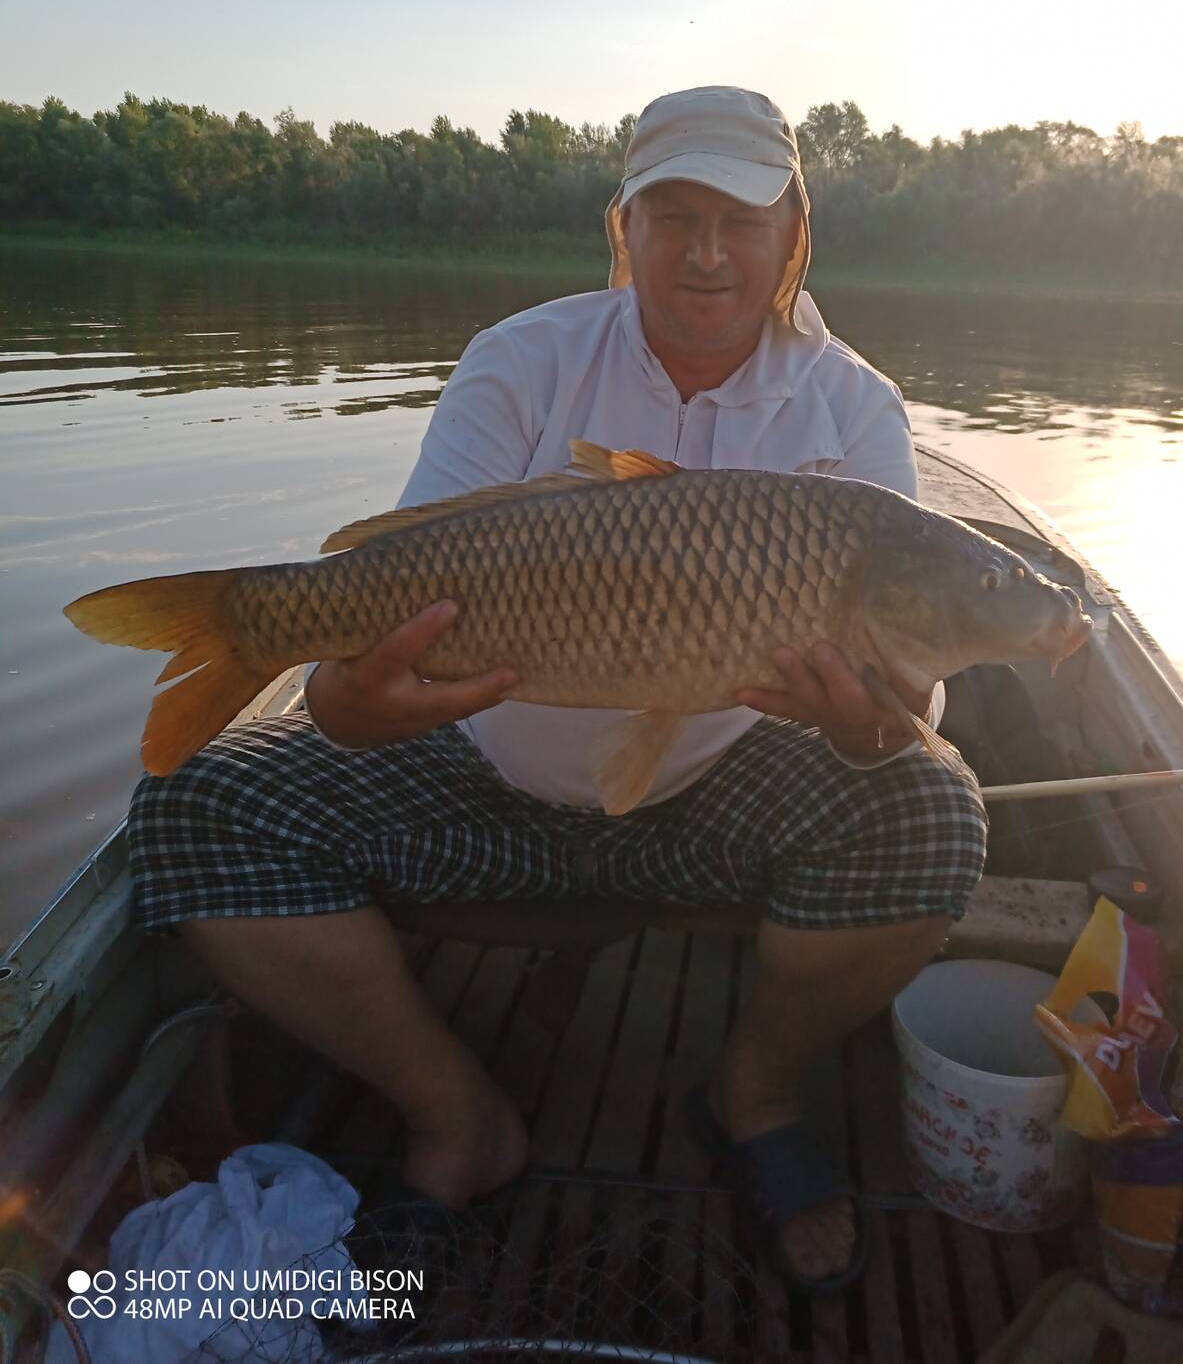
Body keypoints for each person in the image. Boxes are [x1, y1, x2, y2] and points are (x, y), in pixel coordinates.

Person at [128, 85, 987, 1294]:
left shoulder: (853, 409)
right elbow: (359, 662)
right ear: (619, 228)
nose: (703, 252)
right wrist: (350, 703)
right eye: (670, 215)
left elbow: (904, 710)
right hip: (479, 776)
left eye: (738, 220)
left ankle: (749, 1095)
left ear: (791, 234)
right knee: (186, 811)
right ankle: (457, 1117)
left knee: (933, 807)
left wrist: (870, 728)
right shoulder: (522, 359)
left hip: (717, 797)